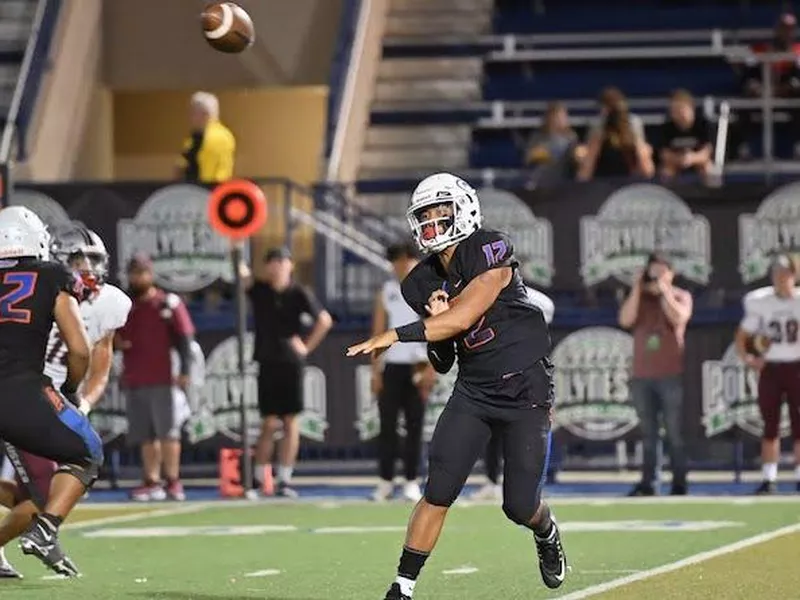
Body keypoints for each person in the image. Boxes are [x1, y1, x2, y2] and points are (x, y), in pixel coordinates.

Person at [346, 173, 567, 599]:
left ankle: (545, 530)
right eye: (423, 216)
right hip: (475, 391)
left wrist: (397, 334)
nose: (430, 223)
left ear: (463, 208)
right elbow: (444, 360)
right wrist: (436, 327)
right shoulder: (419, 282)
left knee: (519, 506)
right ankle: (402, 587)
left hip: (525, 389)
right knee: (438, 490)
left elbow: (464, 318)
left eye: (438, 212)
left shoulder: (490, 248)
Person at [0, 223, 131, 578]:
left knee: (45, 490)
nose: (87, 268)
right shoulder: (50, 284)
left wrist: (81, 401)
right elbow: (79, 351)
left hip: (45, 399)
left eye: (94, 259)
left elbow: (99, 365)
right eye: (78, 259)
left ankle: (43, 534)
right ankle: (42, 535)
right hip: (31, 396)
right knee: (45, 493)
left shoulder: (109, 303)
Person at [240, 247, 333, 498]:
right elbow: (242, 276)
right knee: (269, 422)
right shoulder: (260, 290)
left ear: (290, 265)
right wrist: (236, 244)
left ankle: (285, 480)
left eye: (281, 261)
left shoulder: (299, 292)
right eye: (271, 261)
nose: (276, 266)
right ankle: (260, 481)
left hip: (291, 363)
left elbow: (324, 320)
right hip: (267, 360)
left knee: (291, 421)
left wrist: (305, 347)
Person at [117, 254, 195, 502]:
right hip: (135, 376)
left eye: (142, 272)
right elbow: (113, 336)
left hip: (164, 377)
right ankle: (151, 480)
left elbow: (185, 338)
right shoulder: (124, 305)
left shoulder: (167, 303)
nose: (138, 277)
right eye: (134, 272)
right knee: (145, 435)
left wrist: (185, 371)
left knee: (168, 432)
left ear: (151, 274)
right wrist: (118, 342)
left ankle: (173, 481)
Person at [618, 252, 693, 496]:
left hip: (670, 375)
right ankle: (649, 483)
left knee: (674, 432)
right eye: (654, 271)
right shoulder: (640, 300)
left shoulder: (681, 296)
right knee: (648, 434)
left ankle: (679, 482)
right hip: (642, 376)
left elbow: (679, 317)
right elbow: (625, 319)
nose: (657, 275)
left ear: (671, 273)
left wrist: (664, 290)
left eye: (663, 271)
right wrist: (638, 287)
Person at [471, 287, 555, 501]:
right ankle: (493, 481)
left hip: (524, 376)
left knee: (525, 431)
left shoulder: (537, 302)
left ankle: (528, 485)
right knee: (492, 432)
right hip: (495, 372)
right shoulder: (486, 294)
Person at [371, 242, 435, 503]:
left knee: (415, 426)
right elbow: (377, 333)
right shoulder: (386, 292)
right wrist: (375, 372)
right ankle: (385, 481)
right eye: (397, 260)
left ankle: (411, 481)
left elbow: (437, 329)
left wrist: (432, 367)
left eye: (407, 259)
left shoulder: (426, 291)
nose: (402, 265)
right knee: (387, 426)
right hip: (392, 366)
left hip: (417, 365)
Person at [735, 253, 800, 494]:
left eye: (785, 274)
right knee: (770, 425)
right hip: (772, 367)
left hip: (796, 366)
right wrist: (749, 358)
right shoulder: (760, 301)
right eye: (776, 274)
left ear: (794, 275)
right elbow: (742, 335)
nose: (781, 279)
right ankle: (769, 478)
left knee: (799, 425)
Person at [176, 91, 236, 183]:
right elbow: (181, 164)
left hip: (206, 190)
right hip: (199, 189)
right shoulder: (194, 137)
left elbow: (220, 171)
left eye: (193, 113)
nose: (191, 117)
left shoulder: (217, 136)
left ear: (205, 114)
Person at [658, 89, 714, 183]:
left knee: (708, 168)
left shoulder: (703, 124)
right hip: (675, 161)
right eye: (674, 111)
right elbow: (664, 153)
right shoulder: (667, 127)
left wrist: (691, 158)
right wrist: (679, 159)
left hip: (696, 160)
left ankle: (712, 195)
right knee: (666, 171)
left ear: (691, 109)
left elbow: (707, 152)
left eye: (681, 110)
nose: (678, 114)